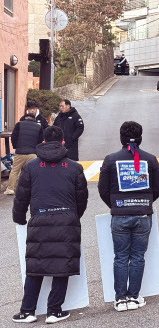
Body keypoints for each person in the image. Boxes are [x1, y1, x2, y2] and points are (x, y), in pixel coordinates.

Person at [12, 126, 88, 323]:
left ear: (43, 141)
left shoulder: (31, 166)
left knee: (35, 266)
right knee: (62, 265)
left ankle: (27, 311)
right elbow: (82, 199)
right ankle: (54, 311)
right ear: (63, 142)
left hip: (39, 219)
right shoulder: (74, 167)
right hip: (67, 220)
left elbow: (21, 197)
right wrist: (73, 217)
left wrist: (19, 217)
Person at [98, 121, 159, 312]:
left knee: (120, 257)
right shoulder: (150, 159)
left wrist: (115, 205)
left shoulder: (111, 159)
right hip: (143, 214)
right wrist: (146, 201)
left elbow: (103, 189)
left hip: (120, 214)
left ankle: (120, 299)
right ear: (141, 138)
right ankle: (134, 297)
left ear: (121, 138)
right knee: (137, 257)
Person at [4, 114, 43, 195]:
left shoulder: (19, 124)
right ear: (34, 119)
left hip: (20, 152)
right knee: (33, 172)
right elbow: (40, 140)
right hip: (33, 153)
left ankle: (10, 189)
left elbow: (13, 137)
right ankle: (34, 189)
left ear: (25, 118)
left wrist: (16, 147)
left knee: (15, 171)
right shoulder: (38, 127)